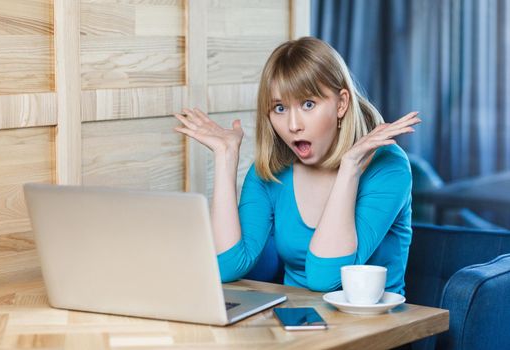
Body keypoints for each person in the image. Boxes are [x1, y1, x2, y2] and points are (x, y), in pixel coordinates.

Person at [174, 37, 420, 294]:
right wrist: (225, 157)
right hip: (296, 323)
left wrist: (349, 168)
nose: (293, 125)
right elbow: (225, 268)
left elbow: (324, 279)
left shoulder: (388, 166)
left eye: (308, 104)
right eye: (279, 108)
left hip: (377, 327)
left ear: (342, 103)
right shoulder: (270, 173)